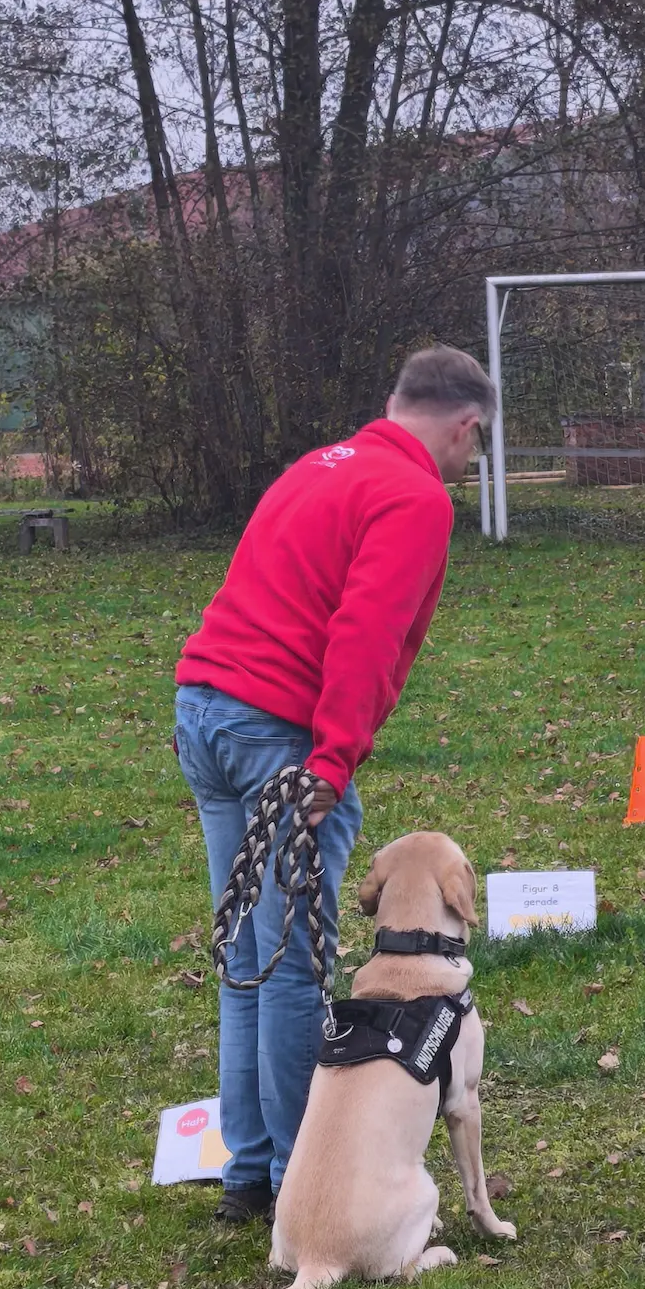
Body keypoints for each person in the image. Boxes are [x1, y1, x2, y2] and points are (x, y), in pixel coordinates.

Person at [173, 343, 496, 1223]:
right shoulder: (414, 495)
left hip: (205, 711)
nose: (470, 465)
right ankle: (296, 1185)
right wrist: (335, 757)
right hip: (281, 736)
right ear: (464, 426)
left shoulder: (319, 464)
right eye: (476, 447)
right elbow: (366, 632)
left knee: (248, 958)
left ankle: (249, 1172)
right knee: (290, 972)